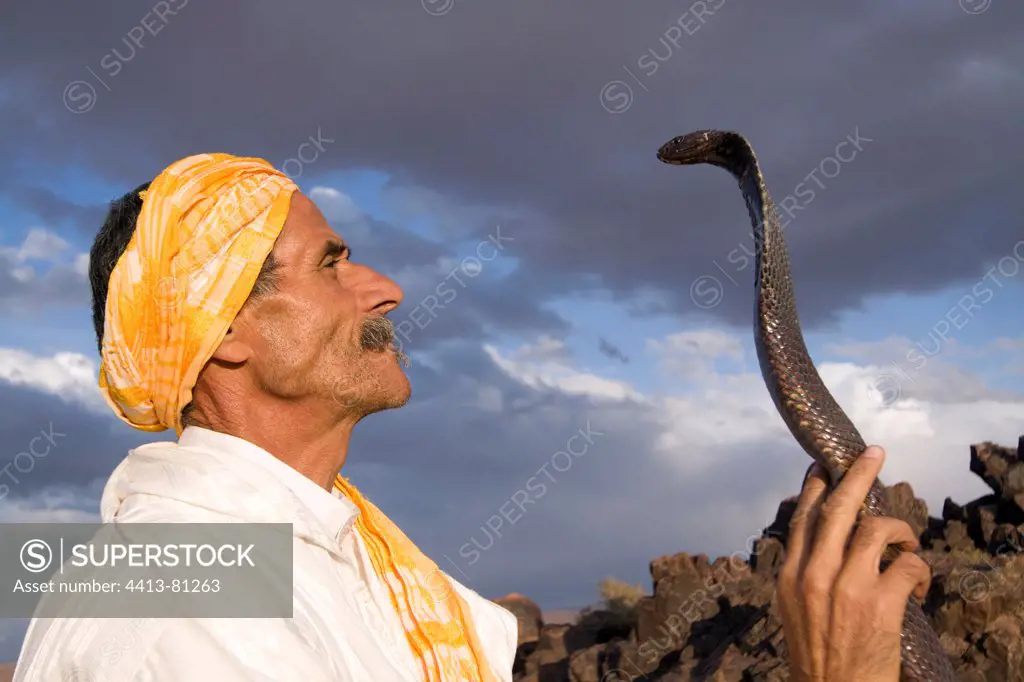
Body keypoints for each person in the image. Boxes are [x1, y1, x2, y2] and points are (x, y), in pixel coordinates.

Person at [12, 152, 926, 682]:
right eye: (330, 264)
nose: (387, 289)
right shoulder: (183, 614)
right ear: (224, 336)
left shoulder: (332, 554)